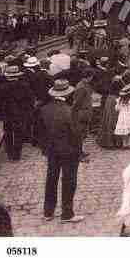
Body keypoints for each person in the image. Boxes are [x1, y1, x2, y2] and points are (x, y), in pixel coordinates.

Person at [37, 79, 84, 223]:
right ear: (68, 94)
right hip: (69, 152)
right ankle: (67, 213)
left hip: (52, 150)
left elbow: (39, 132)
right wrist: (80, 152)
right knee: (69, 181)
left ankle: (48, 212)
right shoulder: (71, 112)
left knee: (51, 179)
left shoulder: (44, 110)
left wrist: (45, 147)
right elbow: (76, 135)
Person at [0, 66, 34, 161]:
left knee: (8, 132)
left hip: (7, 113)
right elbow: (30, 100)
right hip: (20, 113)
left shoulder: (3, 87)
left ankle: (9, 152)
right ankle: (17, 154)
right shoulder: (24, 85)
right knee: (19, 133)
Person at [71, 68, 94, 162]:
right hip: (81, 113)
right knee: (79, 135)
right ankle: (78, 154)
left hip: (85, 112)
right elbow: (76, 102)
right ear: (88, 77)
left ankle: (80, 151)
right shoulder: (81, 87)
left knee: (83, 135)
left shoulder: (84, 85)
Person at [97, 80, 121, 149]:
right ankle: (110, 143)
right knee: (111, 125)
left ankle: (107, 142)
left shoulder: (109, 96)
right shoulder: (115, 98)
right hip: (113, 114)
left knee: (107, 123)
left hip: (109, 112)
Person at [114, 84, 130, 150]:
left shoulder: (120, 100)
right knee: (128, 132)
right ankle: (126, 144)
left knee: (124, 131)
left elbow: (117, 109)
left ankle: (124, 144)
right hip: (129, 116)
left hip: (121, 116)